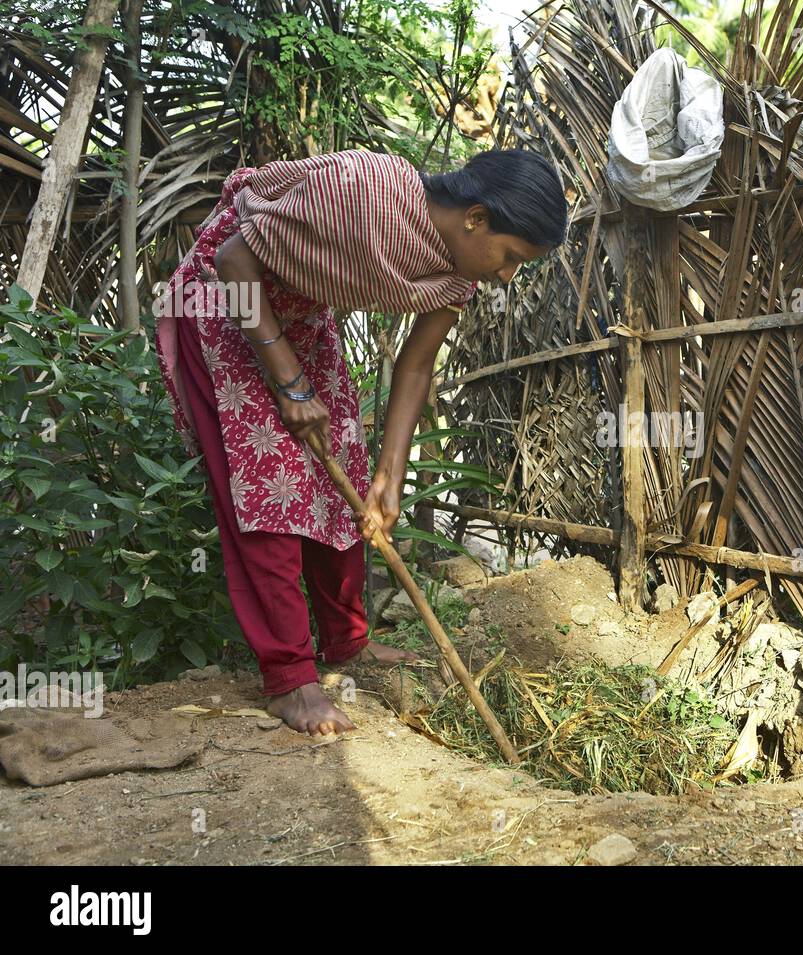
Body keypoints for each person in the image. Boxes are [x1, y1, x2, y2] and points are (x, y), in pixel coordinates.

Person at [153, 147, 568, 735]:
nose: (506, 275)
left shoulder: (452, 278)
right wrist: (290, 383)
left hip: (296, 316)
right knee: (269, 488)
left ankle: (346, 642)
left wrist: (389, 478)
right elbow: (233, 259)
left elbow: (417, 366)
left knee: (338, 468)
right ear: (475, 218)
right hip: (228, 302)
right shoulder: (363, 197)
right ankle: (290, 679)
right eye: (511, 257)